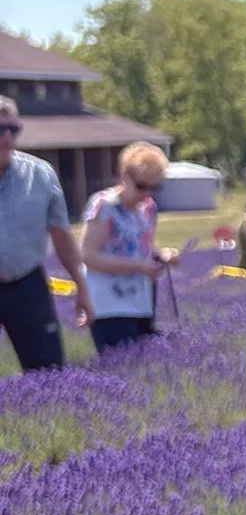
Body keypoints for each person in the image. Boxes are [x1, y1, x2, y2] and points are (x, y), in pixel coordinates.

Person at [0, 95, 93, 370]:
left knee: (48, 373)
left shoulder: (40, 175)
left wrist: (82, 286)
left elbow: (62, 236)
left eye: (12, 129)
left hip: (27, 285)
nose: (6, 136)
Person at [81, 142, 178, 354]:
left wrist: (162, 256)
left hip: (142, 304)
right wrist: (138, 266)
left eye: (155, 187)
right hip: (109, 307)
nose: (148, 193)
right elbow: (88, 256)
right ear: (124, 176)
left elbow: (143, 251)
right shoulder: (103, 206)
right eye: (142, 186)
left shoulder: (149, 210)